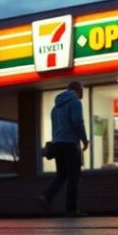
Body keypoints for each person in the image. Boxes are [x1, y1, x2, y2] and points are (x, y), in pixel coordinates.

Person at [39, 81, 89, 216]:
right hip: (70, 144)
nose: (83, 93)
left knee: (61, 175)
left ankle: (47, 196)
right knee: (74, 176)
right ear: (77, 89)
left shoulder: (55, 108)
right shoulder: (75, 102)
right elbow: (77, 121)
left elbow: (55, 129)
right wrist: (84, 139)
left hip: (58, 144)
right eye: (82, 90)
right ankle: (72, 209)